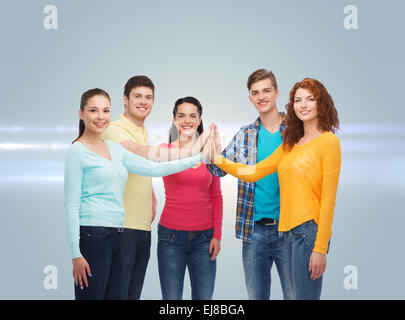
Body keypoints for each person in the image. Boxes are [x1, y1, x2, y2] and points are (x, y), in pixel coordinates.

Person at [64, 88, 205, 300]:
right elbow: (72, 203)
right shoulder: (77, 151)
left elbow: (153, 169)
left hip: (119, 234)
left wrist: (197, 158)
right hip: (92, 236)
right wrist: (76, 253)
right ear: (81, 113)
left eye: (105, 111)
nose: (100, 117)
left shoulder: (115, 149)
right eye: (94, 110)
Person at [211, 78, 342, 300]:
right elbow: (252, 172)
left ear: (322, 103)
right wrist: (214, 157)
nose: (304, 105)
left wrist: (320, 248)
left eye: (310, 99)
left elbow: (329, 200)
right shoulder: (290, 143)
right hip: (288, 234)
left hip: (308, 232)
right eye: (298, 100)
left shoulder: (328, 142)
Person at [102, 76, 207, 300]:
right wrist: (195, 151)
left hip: (142, 228)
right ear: (125, 99)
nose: (143, 101)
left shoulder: (143, 132)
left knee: (132, 295)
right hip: (120, 228)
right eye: (137, 96)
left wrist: (149, 194)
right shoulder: (114, 130)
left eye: (148, 97)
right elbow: (147, 155)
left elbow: (140, 166)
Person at [206, 69, 294, 300]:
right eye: (255, 93)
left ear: (276, 93)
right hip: (253, 231)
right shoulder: (245, 135)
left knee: (295, 295)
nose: (261, 96)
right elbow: (217, 169)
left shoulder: (295, 132)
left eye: (266, 90)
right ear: (250, 98)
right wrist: (212, 148)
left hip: (289, 229)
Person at [157, 97, 223, 300]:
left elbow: (216, 196)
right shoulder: (165, 151)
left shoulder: (208, 152)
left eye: (192, 115)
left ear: (199, 119)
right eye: (181, 115)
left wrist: (217, 235)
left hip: (204, 239)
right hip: (170, 239)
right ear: (174, 120)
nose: (187, 120)